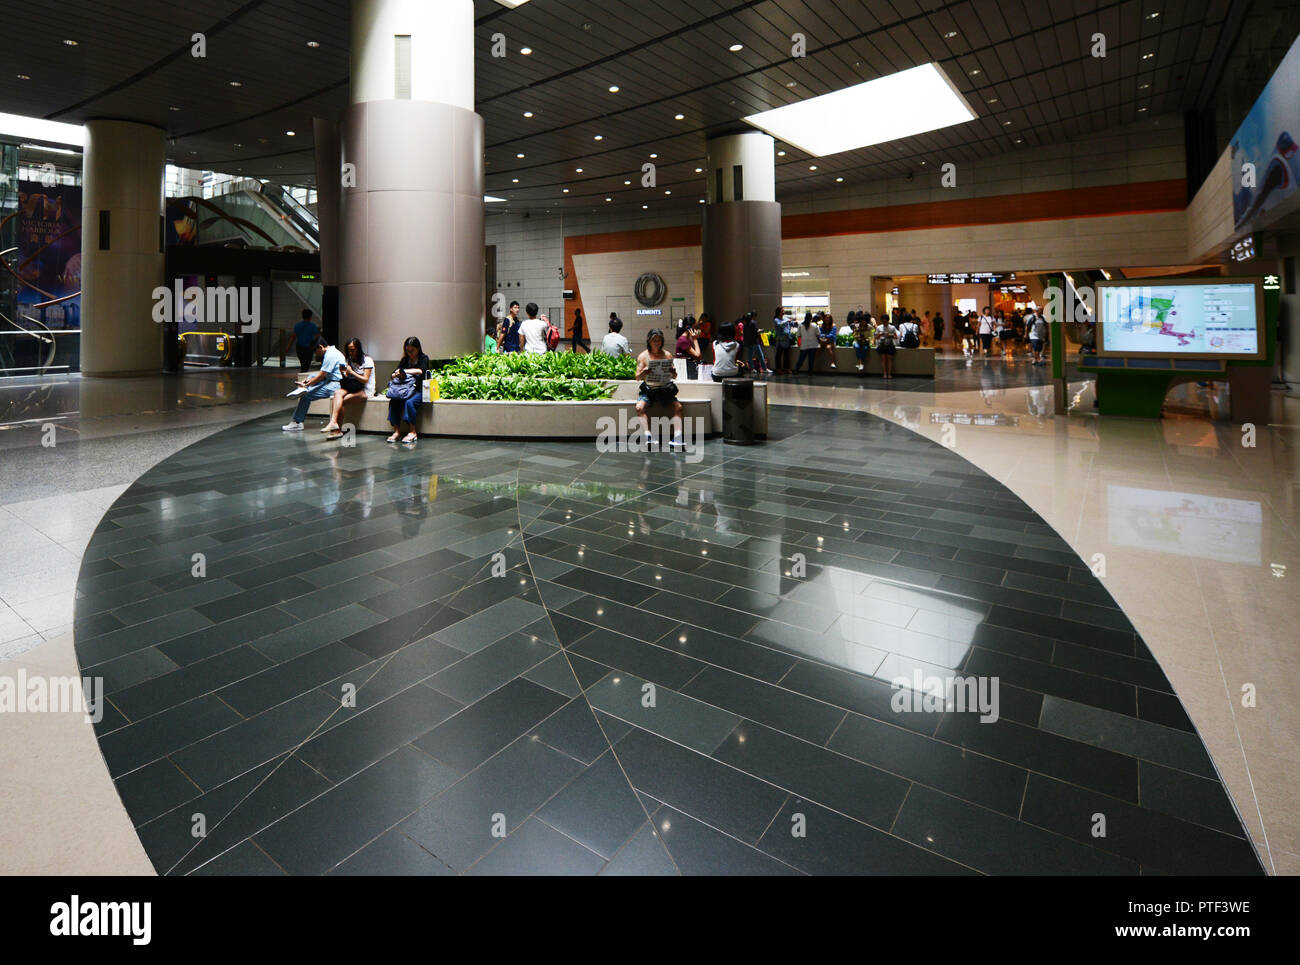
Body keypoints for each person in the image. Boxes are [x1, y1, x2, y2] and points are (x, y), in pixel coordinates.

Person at [635, 329, 685, 448]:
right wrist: (644, 372)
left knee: (678, 407)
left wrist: (673, 372)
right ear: (649, 341)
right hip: (649, 390)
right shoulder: (643, 356)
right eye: (654, 340)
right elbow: (637, 377)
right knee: (639, 408)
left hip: (664, 389)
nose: (657, 343)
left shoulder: (667, 355)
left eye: (659, 340)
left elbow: (675, 376)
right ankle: (648, 436)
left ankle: (677, 437)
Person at [283, 336, 344, 431]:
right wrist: (308, 380)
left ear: (320, 347)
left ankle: (297, 422)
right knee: (309, 385)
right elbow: (322, 373)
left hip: (336, 384)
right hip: (333, 381)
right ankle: (297, 421)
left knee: (306, 395)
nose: (316, 354)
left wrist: (307, 385)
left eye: (315, 351)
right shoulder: (332, 352)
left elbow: (322, 375)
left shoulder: (330, 355)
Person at [321, 337, 375, 438]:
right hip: (353, 387)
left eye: (353, 350)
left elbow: (365, 380)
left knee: (343, 400)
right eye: (348, 350)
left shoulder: (367, 360)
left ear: (358, 349)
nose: (350, 352)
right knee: (337, 393)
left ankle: (338, 430)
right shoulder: (349, 360)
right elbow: (347, 378)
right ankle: (333, 422)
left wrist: (351, 372)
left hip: (365, 389)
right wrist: (343, 372)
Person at [385, 336, 430, 444]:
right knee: (394, 401)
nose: (410, 353)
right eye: (407, 350)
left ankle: (412, 432)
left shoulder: (424, 358)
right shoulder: (405, 360)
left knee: (409, 403)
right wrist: (397, 374)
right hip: (405, 389)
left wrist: (405, 371)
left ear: (418, 348)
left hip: (419, 390)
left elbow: (421, 371)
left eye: (412, 350)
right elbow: (394, 373)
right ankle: (396, 431)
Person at [287, 309, 320, 373]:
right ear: (310, 316)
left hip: (299, 347)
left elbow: (293, 337)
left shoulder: (297, 325)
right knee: (306, 365)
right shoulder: (312, 326)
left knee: (303, 363)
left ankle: (302, 374)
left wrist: (288, 347)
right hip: (309, 348)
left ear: (302, 316)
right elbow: (317, 336)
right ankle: (303, 376)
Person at [741, 311, 767, 376]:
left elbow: (745, 333)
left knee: (750, 356)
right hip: (755, 342)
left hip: (748, 342)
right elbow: (755, 332)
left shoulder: (745, 324)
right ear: (753, 316)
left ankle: (752, 369)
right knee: (760, 355)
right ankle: (764, 369)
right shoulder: (753, 323)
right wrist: (760, 330)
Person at [875, 315, 899, 379]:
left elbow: (896, 337)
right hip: (882, 344)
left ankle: (889, 374)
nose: (885, 323)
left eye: (886, 321)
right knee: (883, 359)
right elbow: (876, 337)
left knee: (890, 359)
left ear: (888, 321)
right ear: (882, 321)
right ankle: (885, 373)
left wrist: (890, 335)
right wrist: (880, 334)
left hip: (890, 344)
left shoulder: (892, 327)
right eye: (883, 321)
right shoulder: (879, 328)